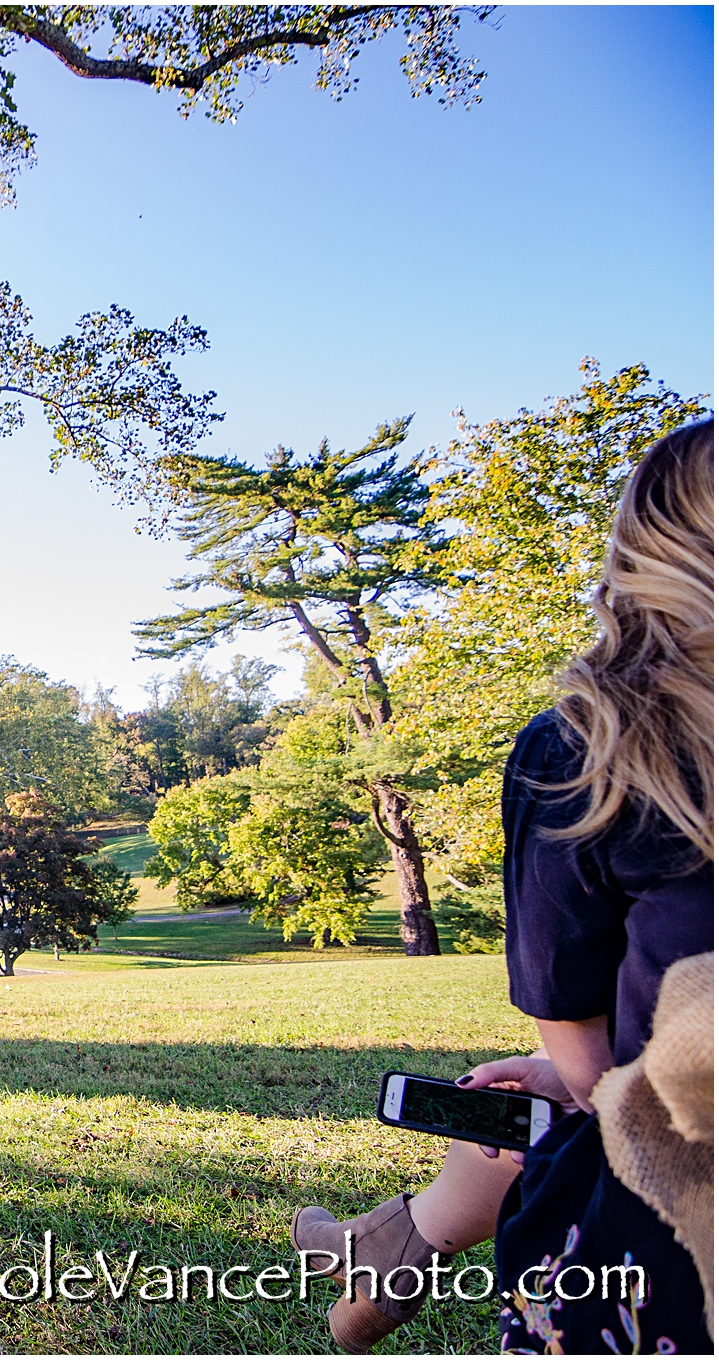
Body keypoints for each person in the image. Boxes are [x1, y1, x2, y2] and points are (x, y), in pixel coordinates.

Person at [292, 420, 714, 1353]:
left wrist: (588, 1089)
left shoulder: (597, 745)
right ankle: (380, 1249)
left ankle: (378, 1257)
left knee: (567, 1114)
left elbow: (584, 1054)